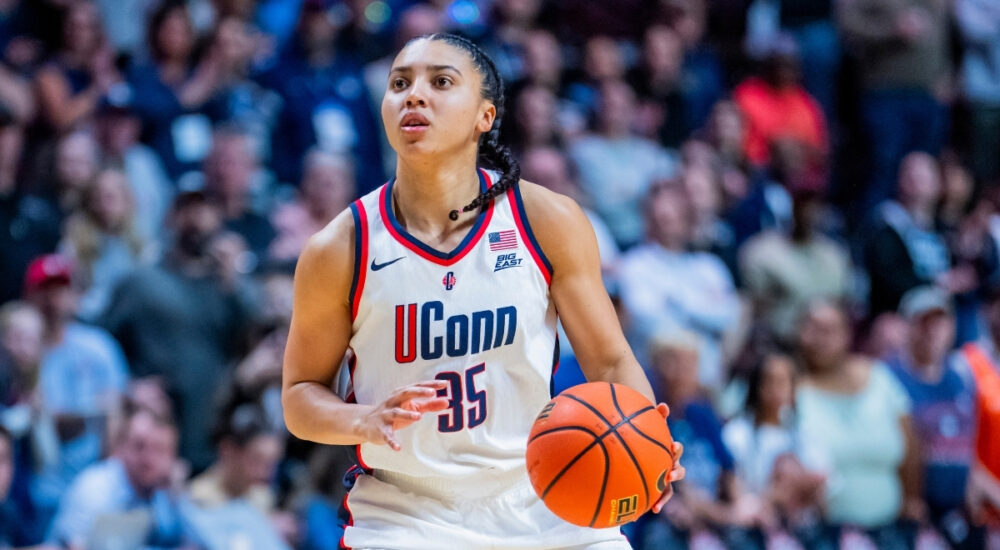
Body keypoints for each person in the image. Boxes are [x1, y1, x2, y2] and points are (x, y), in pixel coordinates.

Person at [281, 33, 684, 549]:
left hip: (550, 490)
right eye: (399, 83)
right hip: (408, 514)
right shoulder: (341, 247)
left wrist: (646, 444)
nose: (414, 95)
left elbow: (609, 363)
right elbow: (299, 398)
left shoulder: (545, 219)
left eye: (440, 82)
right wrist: (363, 418)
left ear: (485, 117)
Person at [887, 287, 981, 548]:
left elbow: (967, 445)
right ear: (906, 326)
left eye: (939, 321)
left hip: (959, 513)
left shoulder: (962, 375)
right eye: (923, 321)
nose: (932, 330)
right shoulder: (888, 378)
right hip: (912, 516)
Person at [47, 406, 184, 549]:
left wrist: (177, 497)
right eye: (139, 446)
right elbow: (73, 545)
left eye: (159, 450)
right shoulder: (95, 488)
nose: (148, 459)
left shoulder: (164, 490)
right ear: (121, 446)